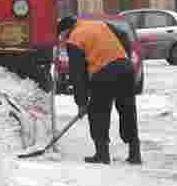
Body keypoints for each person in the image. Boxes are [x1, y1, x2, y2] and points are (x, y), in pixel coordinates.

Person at [57, 16, 142, 165]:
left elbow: (78, 75)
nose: (63, 40)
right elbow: (123, 35)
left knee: (98, 112)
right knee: (127, 110)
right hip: (125, 68)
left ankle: (102, 154)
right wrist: (125, 58)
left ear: (66, 31)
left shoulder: (74, 39)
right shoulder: (99, 24)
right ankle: (135, 153)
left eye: (62, 36)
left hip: (103, 72)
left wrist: (82, 103)